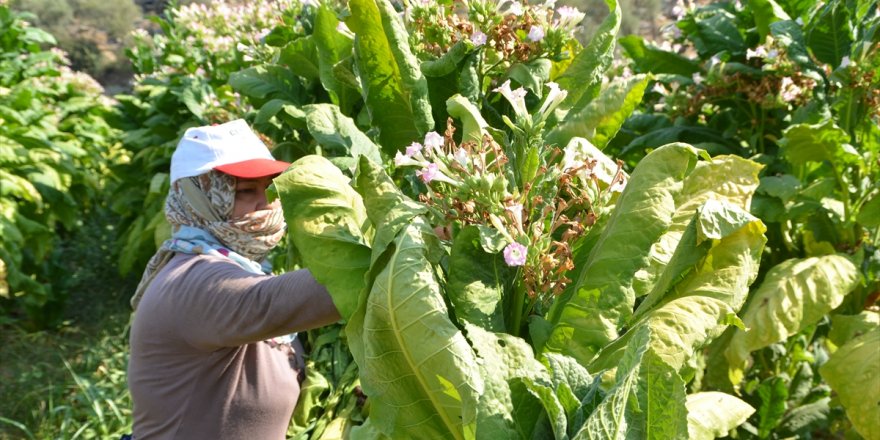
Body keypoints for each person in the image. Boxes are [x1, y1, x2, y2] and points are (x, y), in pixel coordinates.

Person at [126, 119, 341, 439]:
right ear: (199, 197)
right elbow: (270, 301)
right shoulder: (193, 279)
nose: (264, 205)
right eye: (244, 191)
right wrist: (400, 249)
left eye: (266, 189)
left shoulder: (231, 265)